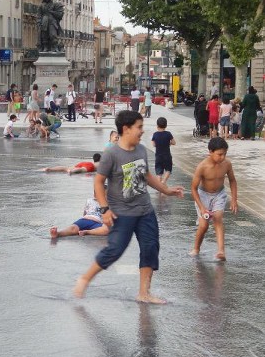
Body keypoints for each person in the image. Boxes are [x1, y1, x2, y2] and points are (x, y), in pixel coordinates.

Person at [72, 110, 185, 303]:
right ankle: (84, 279)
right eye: (139, 127)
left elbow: (146, 175)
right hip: (122, 213)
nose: (142, 131)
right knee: (115, 249)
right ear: (126, 129)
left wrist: (165, 190)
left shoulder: (141, 150)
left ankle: (144, 293)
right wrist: (104, 209)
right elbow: (98, 183)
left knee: (150, 248)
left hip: (145, 210)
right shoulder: (111, 154)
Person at [190, 137, 238, 261]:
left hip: (219, 194)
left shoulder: (227, 164)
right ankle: (196, 248)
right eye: (220, 154)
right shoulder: (202, 167)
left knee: (217, 218)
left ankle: (221, 251)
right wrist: (202, 207)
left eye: (225, 154)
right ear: (210, 152)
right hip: (203, 195)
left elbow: (232, 180)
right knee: (204, 225)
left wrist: (234, 199)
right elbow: (193, 189)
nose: (222, 157)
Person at [151, 117, 176, 185]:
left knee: (159, 172)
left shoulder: (155, 134)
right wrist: (169, 143)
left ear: (157, 126)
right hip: (167, 156)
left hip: (158, 156)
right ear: (166, 125)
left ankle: (159, 185)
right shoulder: (168, 134)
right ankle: (164, 181)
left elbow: (153, 144)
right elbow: (174, 142)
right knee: (168, 170)